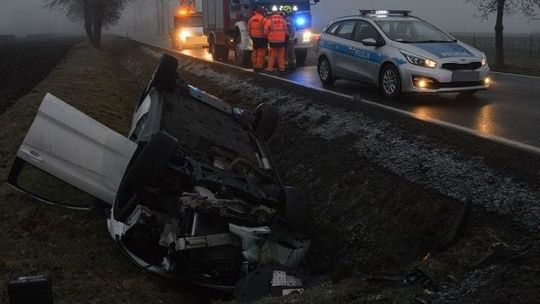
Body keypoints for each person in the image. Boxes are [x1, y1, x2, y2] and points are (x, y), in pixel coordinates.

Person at [264, 10, 288, 74]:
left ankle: (270, 69)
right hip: (281, 41)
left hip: (273, 41)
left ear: (272, 14)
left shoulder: (270, 20)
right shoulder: (283, 20)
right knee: (281, 56)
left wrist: (266, 36)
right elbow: (286, 31)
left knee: (271, 56)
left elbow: (265, 31)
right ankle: (282, 69)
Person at [247, 7, 268, 72]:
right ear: (262, 12)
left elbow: (248, 29)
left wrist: (250, 35)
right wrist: (266, 37)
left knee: (255, 52)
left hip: (254, 38)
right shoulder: (263, 19)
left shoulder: (251, 19)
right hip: (261, 38)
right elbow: (266, 30)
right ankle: (259, 66)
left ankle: (255, 65)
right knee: (261, 52)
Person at [283, 6, 296, 72]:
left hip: (288, 39)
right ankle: (293, 65)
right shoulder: (293, 19)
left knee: (286, 54)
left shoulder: (287, 19)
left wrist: (286, 37)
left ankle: (287, 66)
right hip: (292, 39)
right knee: (292, 53)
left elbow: (288, 29)